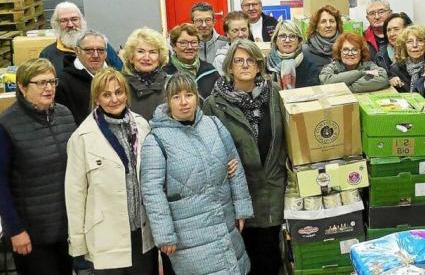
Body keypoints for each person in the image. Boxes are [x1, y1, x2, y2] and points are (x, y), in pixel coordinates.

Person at [140, 73, 252, 275]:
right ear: (168, 101)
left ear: (197, 96)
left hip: (224, 225)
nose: (184, 102)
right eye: (176, 97)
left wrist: (242, 208)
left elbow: (234, 165)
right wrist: (165, 234)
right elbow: (152, 191)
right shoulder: (156, 140)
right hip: (189, 236)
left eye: (189, 95)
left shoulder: (213, 125)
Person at [202, 40, 286, 275]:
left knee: (270, 258)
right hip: (236, 196)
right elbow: (206, 147)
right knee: (242, 260)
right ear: (229, 67)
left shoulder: (275, 94)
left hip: (271, 190)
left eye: (251, 60)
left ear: (259, 66)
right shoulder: (213, 104)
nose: (245, 65)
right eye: (239, 61)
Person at [65, 68, 157, 274]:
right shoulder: (82, 138)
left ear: (126, 94)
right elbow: (75, 195)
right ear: (96, 98)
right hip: (106, 237)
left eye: (119, 92)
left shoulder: (142, 126)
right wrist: (78, 245)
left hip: (142, 235)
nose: (114, 99)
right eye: (106, 94)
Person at [0, 58, 76, 275]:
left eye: (52, 82)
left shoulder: (64, 115)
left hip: (65, 226)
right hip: (31, 233)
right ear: (22, 87)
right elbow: (1, 184)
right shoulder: (7, 124)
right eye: (41, 83)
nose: (49, 88)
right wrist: (15, 230)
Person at [40, 1, 122, 76]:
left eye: (74, 19)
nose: (70, 25)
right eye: (64, 20)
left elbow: (121, 74)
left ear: (82, 21)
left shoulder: (102, 47)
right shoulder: (48, 54)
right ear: (56, 24)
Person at [55, 29, 109, 124]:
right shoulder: (62, 82)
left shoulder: (115, 77)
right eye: (89, 50)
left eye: (100, 50)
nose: (96, 55)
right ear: (77, 51)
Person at [121, 28, 169, 121]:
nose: (146, 57)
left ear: (160, 57)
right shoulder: (119, 84)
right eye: (140, 51)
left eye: (152, 52)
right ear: (131, 57)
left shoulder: (170, 83)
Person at [319, 32, 389, 93]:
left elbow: (383, 77)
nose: (350, 53)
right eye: (345, 49)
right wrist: (360, 73)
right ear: (339, 51)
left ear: (361, 52)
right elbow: (326, 81)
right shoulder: (333, 66)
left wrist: (348, 88)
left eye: (355, 49)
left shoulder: (367, 65)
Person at [163, 23, 219, 98]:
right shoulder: (165, 74)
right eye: (183, 43)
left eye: (194, 42)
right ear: (173, 46)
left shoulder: (210, 72)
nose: (189, 47)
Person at [301, 4, 343, 87]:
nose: (328, 25)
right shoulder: (305, 51)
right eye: (323, 21)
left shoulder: (346, 48)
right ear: (316, 27)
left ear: (337, 25)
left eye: (332, 21)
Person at [389, 25, 425, 93]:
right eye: (409, 41)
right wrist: (391, 81)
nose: (414, 45)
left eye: (420, 41)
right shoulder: (397, 68)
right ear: (404, 45)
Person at [267, 20, 314, 89]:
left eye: (292, 36)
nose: (287, 40)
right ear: (275, 40)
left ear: (299, 41)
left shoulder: (309, 64)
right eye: (283, 36)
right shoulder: (266, 64)